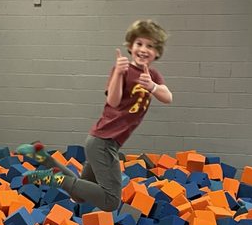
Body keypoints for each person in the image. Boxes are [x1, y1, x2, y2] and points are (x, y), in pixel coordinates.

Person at [16, 19, 173, 212]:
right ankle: (48, 178)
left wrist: (153, 87)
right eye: (139, 43)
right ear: (130, 46)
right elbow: (113, 101)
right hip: (103, 143)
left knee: (80, 194)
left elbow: (168, 97)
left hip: (103, 142)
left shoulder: (153, 76)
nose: (143, 49)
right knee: (110, 201)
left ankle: (42, 158)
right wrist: (118, 73)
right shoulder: (121, 70)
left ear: (157, 52)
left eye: (150, 46)